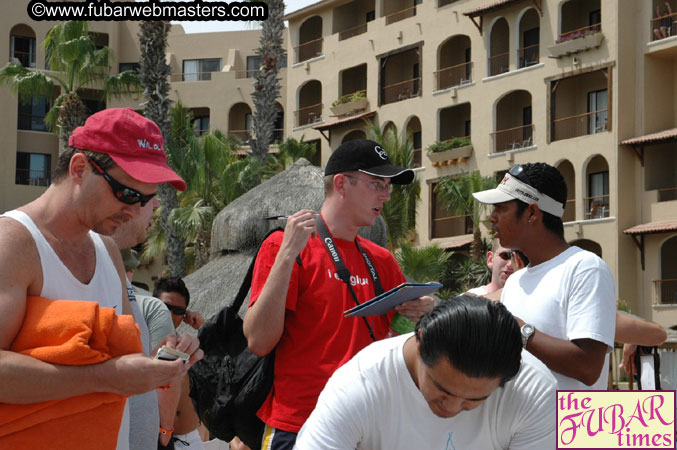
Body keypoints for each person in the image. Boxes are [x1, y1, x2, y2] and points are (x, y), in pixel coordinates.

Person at [0, 107, 202, 449]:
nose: (136, 212)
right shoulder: (14, 244)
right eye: (127, 194)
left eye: (147, 200)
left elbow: (119, 360)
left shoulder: (107, 250)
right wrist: (101, 378)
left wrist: (164, 360)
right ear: (79, 168)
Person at [243, 139, 435, 449]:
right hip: (299, 425)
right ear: (342, 184)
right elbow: (258, 341)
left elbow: (402, 341)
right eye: (377, 184)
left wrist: (424, 312)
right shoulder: (283, 246)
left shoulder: (382, 259)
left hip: (368, 424)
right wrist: (288, 253)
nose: (386, 195)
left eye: (387, 186)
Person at [295, 296, 556, 450]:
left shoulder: (538, 391)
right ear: (419, 341)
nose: (452, 407)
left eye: (473, 400)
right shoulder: (357, 384)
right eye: (442, 389)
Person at [473, 162, 617, 390]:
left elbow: (588, 368)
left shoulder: (585, 268)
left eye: (501, 207)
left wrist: (516, 327)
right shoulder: (516, 283)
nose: (492, 218)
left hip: (570, 424)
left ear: (531, 213)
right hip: (516, 425)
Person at [112, 195, 191, 450]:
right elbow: (165, 379)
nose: (156, 204)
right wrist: (166, 430)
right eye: (145, 196)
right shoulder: (149, 306)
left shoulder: (131, 297)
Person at [154, 276, 206, 450]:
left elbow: (224, 358)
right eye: (165, 307)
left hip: (189, 438)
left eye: (177, 310)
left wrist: (202, 326)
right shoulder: (141, 340)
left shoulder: (188, 345)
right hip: (156, 437)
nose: (170, 314)